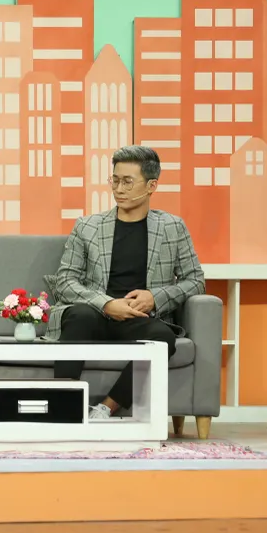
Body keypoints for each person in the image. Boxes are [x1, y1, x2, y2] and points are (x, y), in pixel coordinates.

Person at [49, 145, 205, 420]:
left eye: (128, 182)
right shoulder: (88, 226)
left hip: (139, 317)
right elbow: (65, 280)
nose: (118, 189)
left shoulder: (172, 227)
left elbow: (195, 281)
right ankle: (64, 403)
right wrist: (106, 303)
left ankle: (106, 408)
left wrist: (155, 297)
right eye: (115, 180)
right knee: (79, 316)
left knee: (164, 338)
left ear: (151, 186)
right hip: (96, 314)